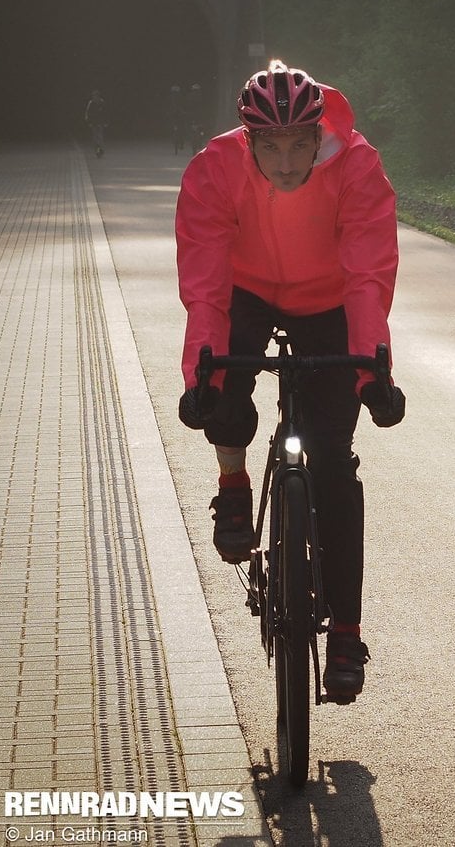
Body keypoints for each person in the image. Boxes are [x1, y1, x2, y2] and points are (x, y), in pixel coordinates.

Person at [175, 60, 405, 698]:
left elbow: (367, 273)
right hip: (245, 291)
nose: (285, 160)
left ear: (318, 134)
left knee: (333, 463)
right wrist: (202, 371)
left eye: (298, 143)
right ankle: (233, 482)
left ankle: (346, 634)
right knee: (221, 386)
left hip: (330, 303)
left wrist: (372, 371)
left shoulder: (357, 167)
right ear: (247, 139)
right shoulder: (213, 168)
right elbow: (205, 280)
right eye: (269, 145)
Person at [85, 90, 107, 158]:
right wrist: (89, 122)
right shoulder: (91, 103)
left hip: (100, 122)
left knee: (100, 137)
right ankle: (97, 151)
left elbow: (105, 113)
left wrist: (106, 122)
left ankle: (101, 150)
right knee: (95, 138)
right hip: (94, 122)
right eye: (93, 96)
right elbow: (88, 113)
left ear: (98, 96)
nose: (94, 97)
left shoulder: (102, 102)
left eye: (95, 96)